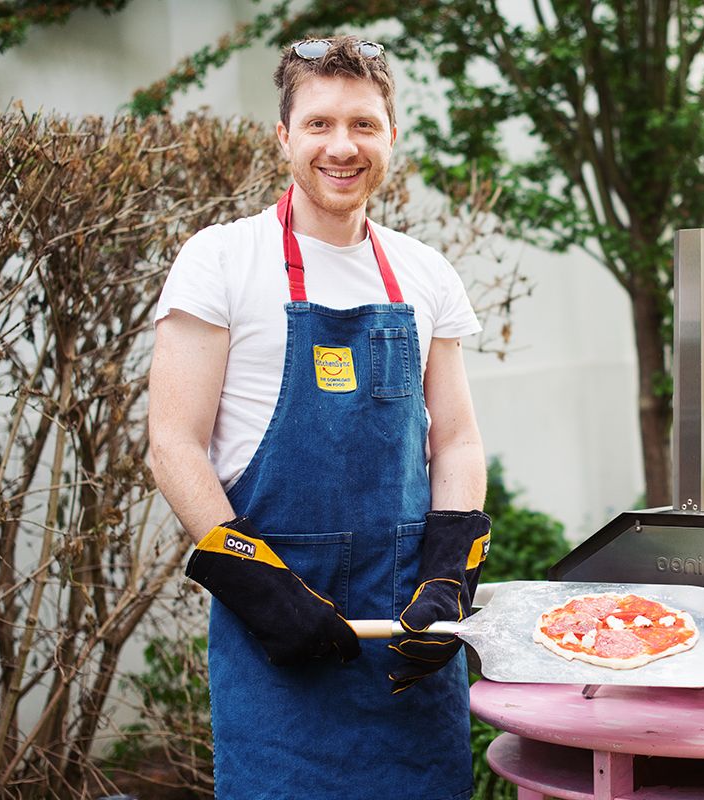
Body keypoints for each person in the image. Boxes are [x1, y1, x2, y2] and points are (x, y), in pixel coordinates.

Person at [147, 35, 490, 800]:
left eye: (364, 125)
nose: (343, 146)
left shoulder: (426, 273)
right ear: (284, 137)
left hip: (408, 651)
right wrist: (266, 593)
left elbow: (459, 440)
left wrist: (448, 574)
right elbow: (173, 446)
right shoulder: (221, 261)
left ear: (391, 136)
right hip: (279, 648)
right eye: (320, 124)